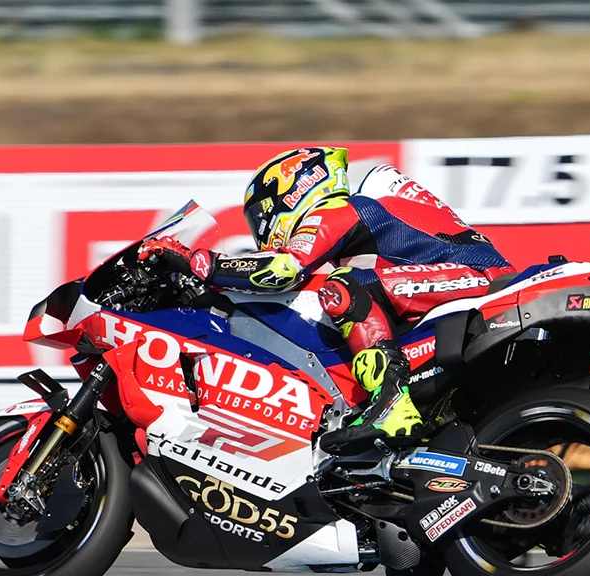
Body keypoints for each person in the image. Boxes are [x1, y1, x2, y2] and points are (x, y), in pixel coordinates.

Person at [139, 147, 515, 455]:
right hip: (460, 290)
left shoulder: (340, 210)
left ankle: (391, 404)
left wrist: (197, 261)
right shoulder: (368, 220)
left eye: (262, 216)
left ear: (290, 191)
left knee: (342, 287)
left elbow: (283, 268)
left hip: (480, 284)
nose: (263, 230)